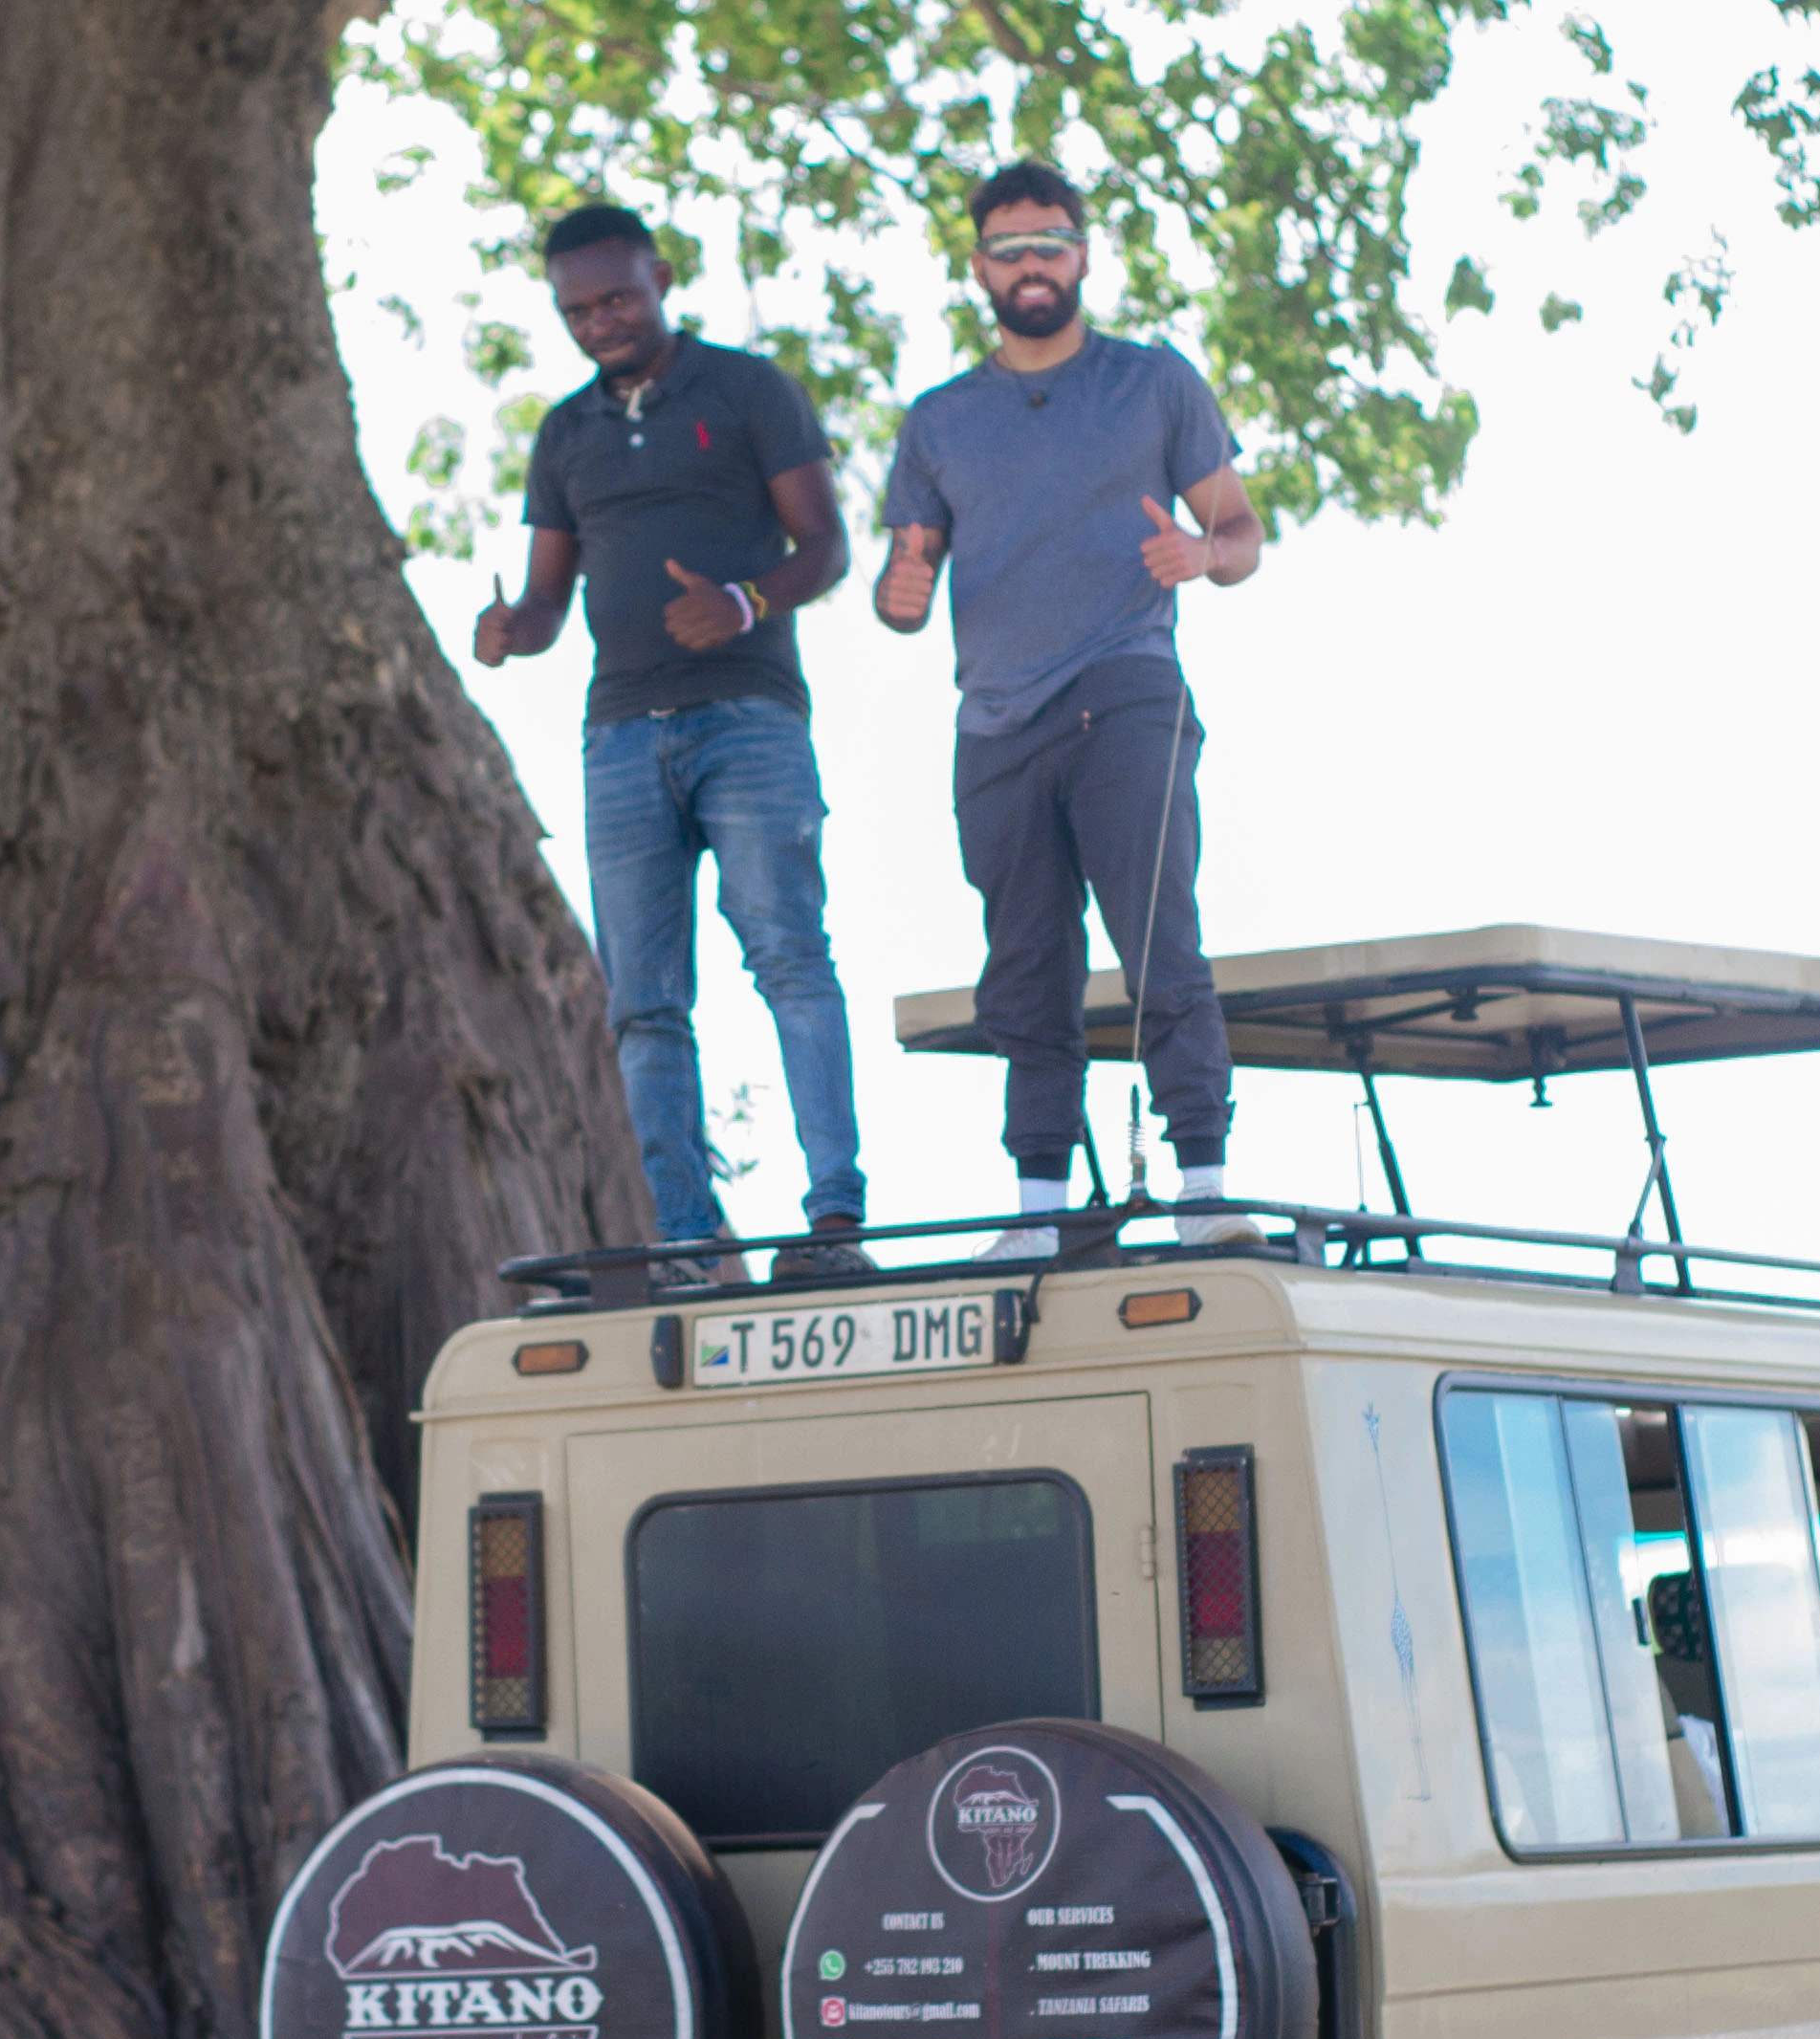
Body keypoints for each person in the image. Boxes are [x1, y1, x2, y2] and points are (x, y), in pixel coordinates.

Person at [476, 203, 875, 1283]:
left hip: (747, 718)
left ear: (659, 277)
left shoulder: (747, 389)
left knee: (790, 959)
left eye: (617, 297)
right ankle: (689, 1236)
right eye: (577, 310)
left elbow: (827, 544)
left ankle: (834, 1216)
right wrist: (516, 631)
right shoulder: (566, 433)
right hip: (618, 737)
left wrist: (747, 604)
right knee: (643, 1003)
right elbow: (551, 598)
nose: (601, 321)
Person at [875, 160, 1266, 1259]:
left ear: (1085, 254)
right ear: (978, 269)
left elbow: (1240, 531)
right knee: (1024, 968)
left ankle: (1204, 1186)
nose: (1031, 263)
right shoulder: (941, 420)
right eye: (1008, 248)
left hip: (1124, 692)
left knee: (1157, 938)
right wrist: (897, 597)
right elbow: (904, 579)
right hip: (995, 722)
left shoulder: (1152, 382)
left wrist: (1200, 553)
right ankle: (1040, 1212)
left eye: (1050, 240)